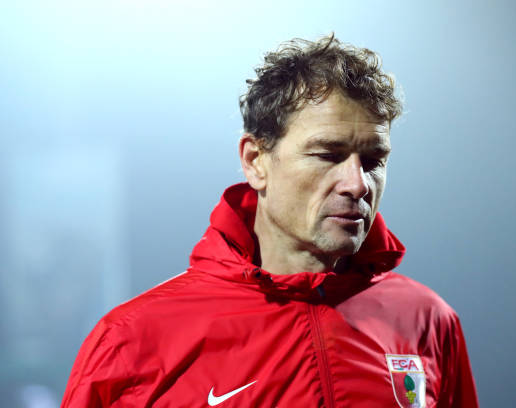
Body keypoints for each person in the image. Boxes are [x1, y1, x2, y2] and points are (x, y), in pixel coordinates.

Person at [62, 34, 479, 408]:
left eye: (373, 161)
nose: (357, 183)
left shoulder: (428, 320)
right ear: (255, 161)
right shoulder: (134, 338)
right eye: (327, 155)